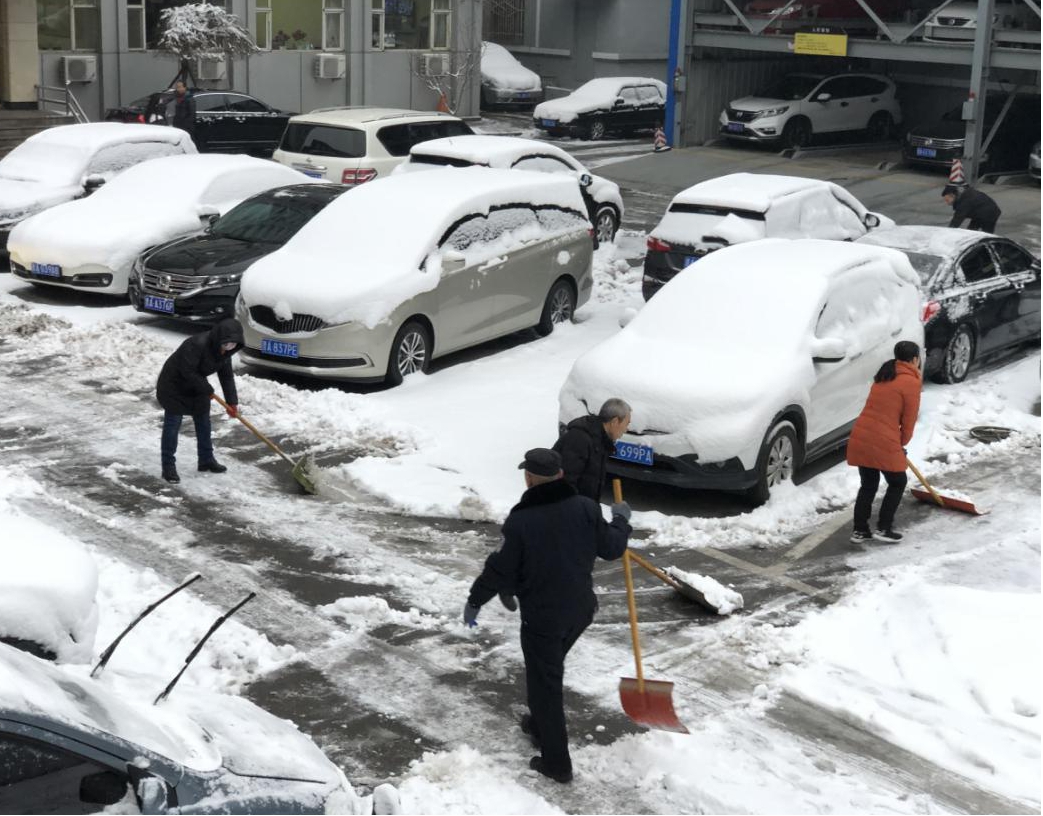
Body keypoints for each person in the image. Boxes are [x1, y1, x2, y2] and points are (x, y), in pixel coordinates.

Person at [463, 448, 631, 784]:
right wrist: (622, 520)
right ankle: (539, 724)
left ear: (528, 478)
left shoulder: (522, 520)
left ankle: (557, 763)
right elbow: (613, 547)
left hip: (544, 619)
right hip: (581, 611)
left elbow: (501, 567)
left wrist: (476, 599)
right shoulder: (585, 507)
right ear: (560, 475)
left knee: (545, 685)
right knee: (548, 670)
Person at [845, 341, 922, 544]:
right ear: (915, 359)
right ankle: (884, 528)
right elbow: (909, 419)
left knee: (868, 485)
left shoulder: (885, 374)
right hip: (883, 438)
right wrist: (902, 442)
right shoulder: (911, 382)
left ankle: (860, 531)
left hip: (862, 435)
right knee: (898, 482)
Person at [155, 318, 244, 483]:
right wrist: (207, 389)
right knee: (173, 425)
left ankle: (206, 460)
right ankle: (168, 466)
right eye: (227, 343)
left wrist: (232, 402)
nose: (230, 347)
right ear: (219, 338)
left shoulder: (225, 352)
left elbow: (226, 377)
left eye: (233, 344)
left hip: (197, 386)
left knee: (204, 422)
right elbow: (186, 371)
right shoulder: (196, 344)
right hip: (174, 386)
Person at [552, 398, 631, 501]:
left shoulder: (600, 441)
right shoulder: (579, 440)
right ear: (615, 422)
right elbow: (565, 486)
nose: (626, 429)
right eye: (626, 424)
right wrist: (585, 512)